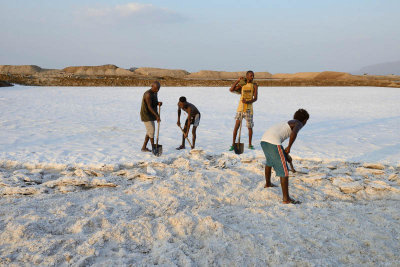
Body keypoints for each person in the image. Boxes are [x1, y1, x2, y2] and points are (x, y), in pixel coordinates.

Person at [260, 109, 309, 204]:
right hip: (273, 141)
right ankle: (286, 199)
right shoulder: (298, 123)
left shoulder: (288, 122)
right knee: (284, 171)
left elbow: (279, 146)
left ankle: (268, 183)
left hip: (264, 140)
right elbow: (294, 134)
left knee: (269, 162)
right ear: (305, 120)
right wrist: (289, 147)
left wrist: (285, 154)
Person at [229, 70, 258, 151]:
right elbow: (231, 89)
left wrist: (247, 102)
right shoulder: (242, 84)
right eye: (251, 75)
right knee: (236, 126)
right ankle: (233, 144)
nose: (252, 77)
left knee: (250, 127)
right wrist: (238, 81)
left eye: (253, 75)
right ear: (247, 76)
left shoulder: (254, 85)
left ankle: (250, 144)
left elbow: (255, 98)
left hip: (249, 109)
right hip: (240, 109)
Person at [140, 81, 162, 152]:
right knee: (151, 130)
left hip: (152, 114)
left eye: (158, 89)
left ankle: (144, 147)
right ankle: (153, 148)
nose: (157, 90)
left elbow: (153, 103)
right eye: (156, 88)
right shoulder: (148, 94)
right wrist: (157, 116)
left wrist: (158, 103)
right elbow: (149, 106)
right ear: (152, 86)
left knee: (149, 131)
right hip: (146, 114)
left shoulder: (155, 93)